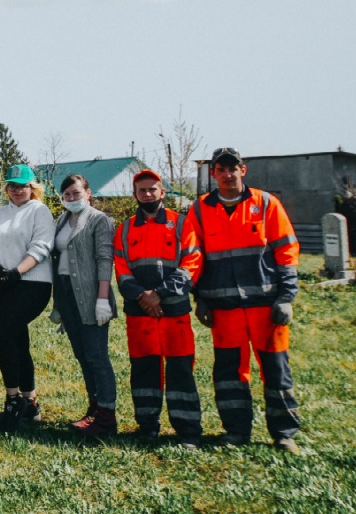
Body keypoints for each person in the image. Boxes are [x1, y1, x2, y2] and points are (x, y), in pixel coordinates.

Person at [182, 147, 302, 453]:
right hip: (224, 309)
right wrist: (201, 299)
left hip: (266, 306)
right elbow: (194, 258)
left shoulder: (265, 203)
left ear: (243, 170)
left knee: (276, 370)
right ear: (213, 174)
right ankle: (236, 431)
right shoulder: (199, 210)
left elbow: (286, 251)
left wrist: (286, 297)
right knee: (229, 374)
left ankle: (284, 433)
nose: (227, 174)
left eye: (232, 168)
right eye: (220, 169)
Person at [114, 169, 202, 447]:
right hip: (140, 314)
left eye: (153, 189)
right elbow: (122, 269)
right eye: (142, 190)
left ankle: (187, 429)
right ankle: (147, 425)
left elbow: (191, 263)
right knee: (143, 369)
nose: (148, 194)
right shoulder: (125, 228)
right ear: (135, 194)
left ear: (163, 192)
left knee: (180, 369)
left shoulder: (181, 224)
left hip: (174, 312)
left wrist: (160, 294)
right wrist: (143, 296)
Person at [0, 163, 54, 431]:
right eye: (12, 185)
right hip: (1, 282)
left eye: (23, 185)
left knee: (2, 332)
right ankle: (30, 402)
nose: (17, 190)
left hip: (32, 283)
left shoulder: (39, 211)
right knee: (17, 339)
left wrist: (17, 272)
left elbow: (42, 245)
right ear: (6, 188)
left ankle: (12, 400)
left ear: (32, 188)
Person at [51, 174, 118, 436]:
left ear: (88, 193)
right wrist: (58, 300)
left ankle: (107, 415)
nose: (71, 198)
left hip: (91, 295)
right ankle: (94, 408)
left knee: (96, 356)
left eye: (76, 193)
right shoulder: (62, 220)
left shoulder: (99, 220)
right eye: (67, 195)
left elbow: (104, 259)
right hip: (68, 294)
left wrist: (102, 298)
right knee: (82, 354)